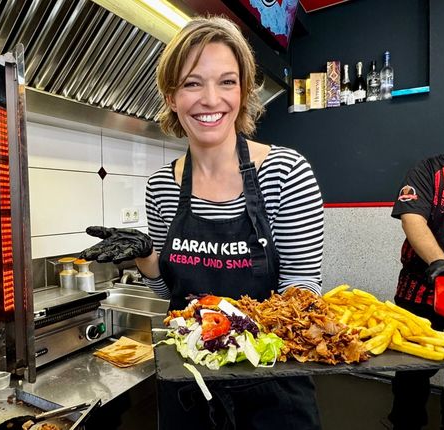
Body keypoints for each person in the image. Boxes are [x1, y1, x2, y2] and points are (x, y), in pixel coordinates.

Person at [80, 16, 324, 430]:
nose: (211, 99)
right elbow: (169, 294)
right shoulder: (162, 185)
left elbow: (302, 285)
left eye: (227, 82)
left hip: (271, 382)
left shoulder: (286, 172)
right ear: (172, 97)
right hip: (188, 381)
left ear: (243, 92)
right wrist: (146, 257)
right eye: (193, 83)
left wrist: (240, 334)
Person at [388, 147, 444, 430]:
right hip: (421, 292)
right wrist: (440, 262)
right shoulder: (429, 171)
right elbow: (412, 219)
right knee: (412, 375)